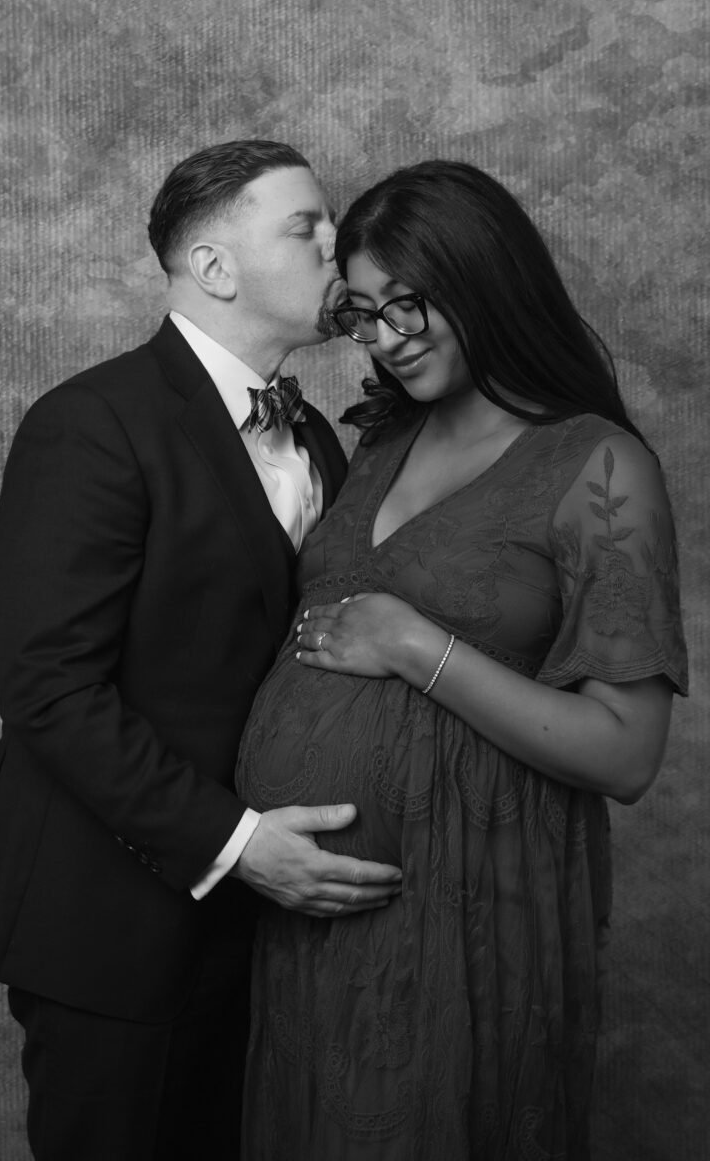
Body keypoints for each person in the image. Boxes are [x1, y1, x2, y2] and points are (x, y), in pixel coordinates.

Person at [0, 139, 403, 1161]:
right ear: (215, 267)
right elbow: (52, 694)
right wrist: (242, 846)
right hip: (107, 919)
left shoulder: (320, 438)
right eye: (308, 226)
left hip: (251, 929)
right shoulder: (91, 424)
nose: (341, 243)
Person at [235, 160, 688, 1160]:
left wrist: (415, 644)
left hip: (472, 911)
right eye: (364, 313)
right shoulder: (383, 445)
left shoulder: (597, 466)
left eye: (412, 304)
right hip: (311, 920)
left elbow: (626, 753)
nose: (388, 338)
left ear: (487, 281)